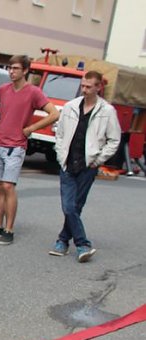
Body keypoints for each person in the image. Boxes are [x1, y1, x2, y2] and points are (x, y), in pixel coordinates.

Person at [0, 56, 59, 245]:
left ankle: (9, 229)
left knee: (8, 186)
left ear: (25, 70)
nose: (11, 71)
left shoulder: (34, 92)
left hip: (16, 145)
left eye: (15, 68)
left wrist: (31, 129)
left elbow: (54, 114)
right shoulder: (4, 89)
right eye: (9, 68)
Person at [51, 71, 120, 262]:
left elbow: (114, 140)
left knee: (76, 206)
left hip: (87, 165)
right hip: (67, 163)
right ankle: (82, 244)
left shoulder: (107, 111)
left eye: (89, 86)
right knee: (68, 206)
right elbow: (60, 133)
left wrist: (98, 160)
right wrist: (60, 154)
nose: (85, 89)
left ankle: (62, 241)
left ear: (99, 87)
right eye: (83, 85)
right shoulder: (71, 106)